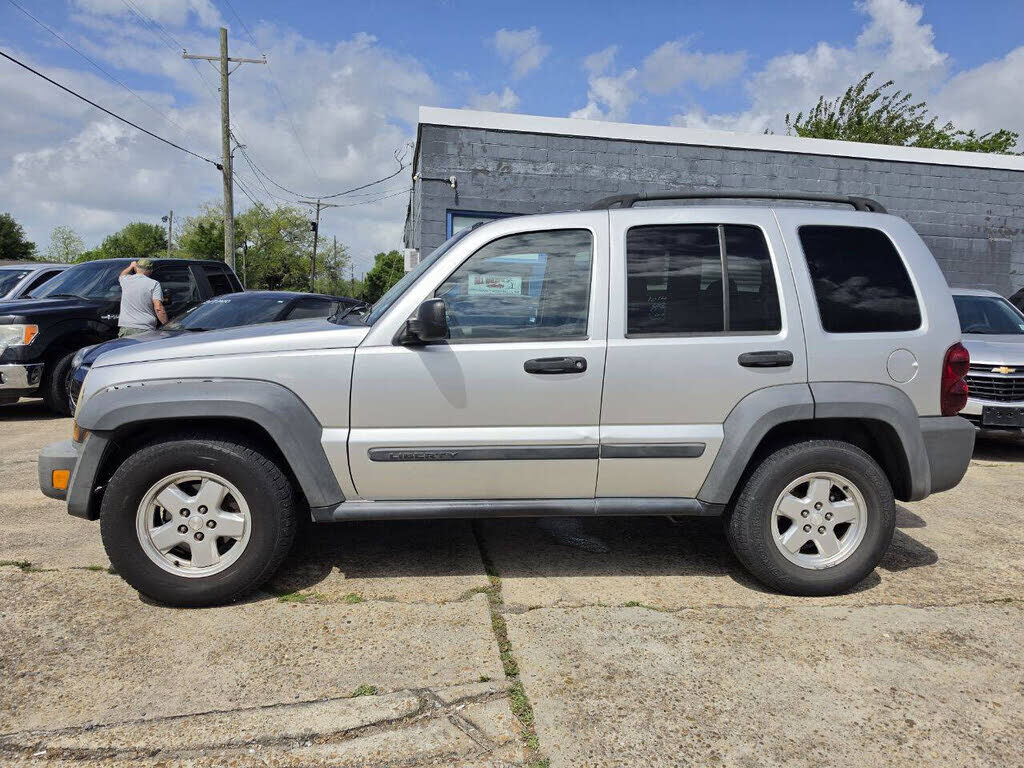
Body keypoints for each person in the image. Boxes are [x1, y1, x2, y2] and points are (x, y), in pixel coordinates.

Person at [117, 258, 167, 337]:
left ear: (136, 268)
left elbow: (122, 275)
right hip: (144, 329)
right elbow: (158, 308)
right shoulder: (154, 283)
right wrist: (167, 325)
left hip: (126, 328)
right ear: (150, 270)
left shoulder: (126, 280)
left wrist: (131, 266)